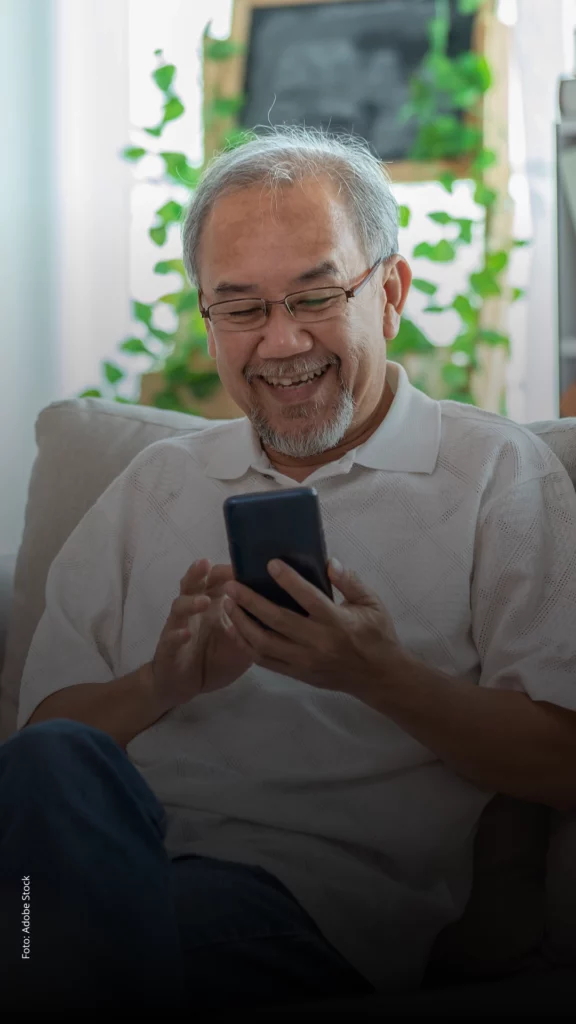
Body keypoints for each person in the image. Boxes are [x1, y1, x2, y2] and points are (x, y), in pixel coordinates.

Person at [2, 125, 576, 1011]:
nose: (279, 342)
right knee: (54, 780)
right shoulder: (155, 483)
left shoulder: (497, 475)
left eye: (314, 296)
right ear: (208, 319)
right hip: (107, 864)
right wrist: (161, 684)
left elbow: (563, 759)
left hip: (314, 911)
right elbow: (44, 746)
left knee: (63, 952)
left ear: (391, 292)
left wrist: (377, 674)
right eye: (241, 308)